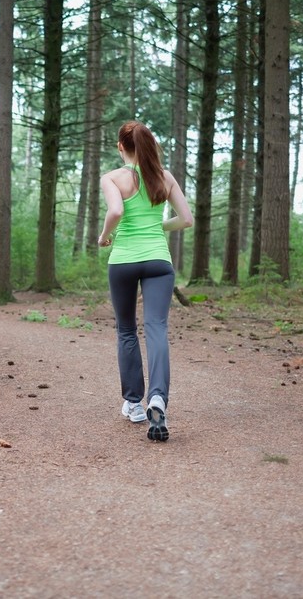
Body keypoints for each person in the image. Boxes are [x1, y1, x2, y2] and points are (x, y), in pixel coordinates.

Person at [98, 121, 193, 442]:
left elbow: (114, 212)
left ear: (120, 146)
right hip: (158, 262)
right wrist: (158, 228)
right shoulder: (164, 177)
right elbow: (187, 219)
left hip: (123, 261)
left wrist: (103, 236)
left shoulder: (112, 178)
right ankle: (158, 398)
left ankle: (134, 404)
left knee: (126, 329)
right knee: (156, 328)